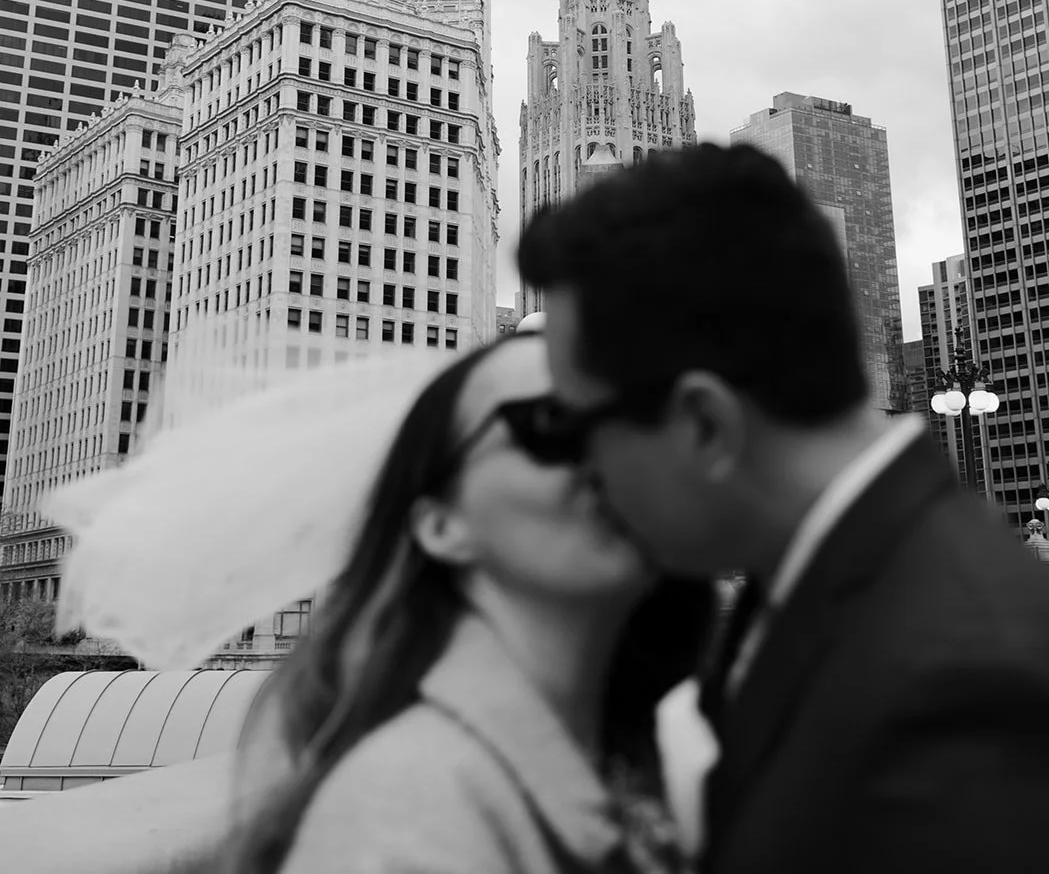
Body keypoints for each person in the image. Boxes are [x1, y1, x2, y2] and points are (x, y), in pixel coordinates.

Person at [517, 141, 1049, 874]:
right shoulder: (827, 592)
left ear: (703, 424)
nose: (578, 472)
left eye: (577, 426)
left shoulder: (954, 696)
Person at [220, 332, 714, 874]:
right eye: (551, 425)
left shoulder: (642, 762)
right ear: (439, 525)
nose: (608, 458)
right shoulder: (406, 805)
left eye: (628, 424)